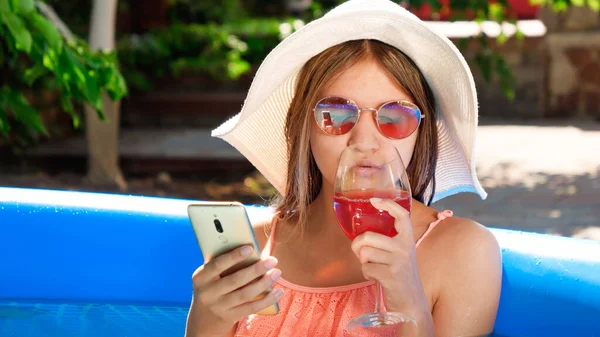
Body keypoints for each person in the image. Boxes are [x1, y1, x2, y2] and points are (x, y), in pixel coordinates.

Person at [184, 0, 502, 336]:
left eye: (395, 116)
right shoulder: (255, 248)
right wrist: (206, 319)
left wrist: (409, 300)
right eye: (335, 114)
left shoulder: (464, 254)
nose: (364, 140)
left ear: (420, 132)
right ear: (302, 128)